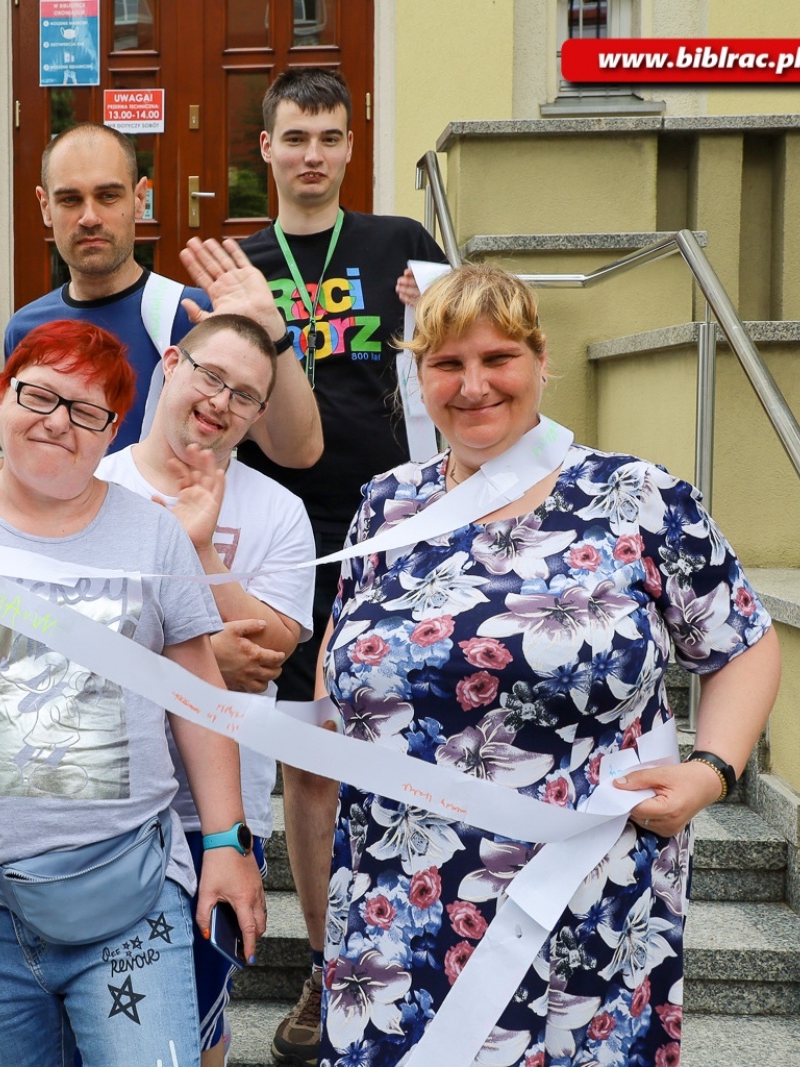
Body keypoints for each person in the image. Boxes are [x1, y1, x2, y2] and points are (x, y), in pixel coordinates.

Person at [316, 264, 780, 1066]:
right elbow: (344, 654)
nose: (473, 386)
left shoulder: (636, 495)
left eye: (497, 358)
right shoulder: (386, 505)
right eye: (446, 364)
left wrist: (711, 771)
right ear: (417, 374)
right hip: (398, 897)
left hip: (584, 895)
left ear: (539, 360)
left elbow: (742, 642)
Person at [0, 318, 267, 1067]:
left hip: (132, 893)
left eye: (86, 410)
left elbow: (198, 694)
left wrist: (227, 840)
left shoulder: (154, 535)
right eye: (39, 395)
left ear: (112, 431)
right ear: (3, 398)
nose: (57, 422)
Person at [231, 67, 447, 1064]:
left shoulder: (397, 244)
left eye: (327, 135)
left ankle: (423, 934)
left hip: (391, 529)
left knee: (404, 747)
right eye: (293, 136)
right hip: (277, 534)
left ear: (348, 146)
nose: (310, 153)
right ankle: (327, 961)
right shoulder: (236, 261)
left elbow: (470, 358)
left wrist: (430, 310)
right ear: (264, 148)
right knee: (305, 763)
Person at [97, 313, 315, 1067]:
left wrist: (197, 548)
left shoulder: (278, 511)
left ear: (259, 415)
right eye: (211, 377)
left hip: (218, 814)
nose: (222, 402)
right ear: (170, 363)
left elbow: (272, 651)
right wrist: (199, 650)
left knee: (197, 1018)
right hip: (100, 801)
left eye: (246, 395)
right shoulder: (92, 484)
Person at [0, 122, 321, 484]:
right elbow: (31, 463)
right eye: (70, 199)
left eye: (108, 196)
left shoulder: (196, 316)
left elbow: (297, 451)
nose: (90, 217)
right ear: (45, 206)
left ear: (140, 198)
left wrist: (274, 334)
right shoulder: (26, 329)